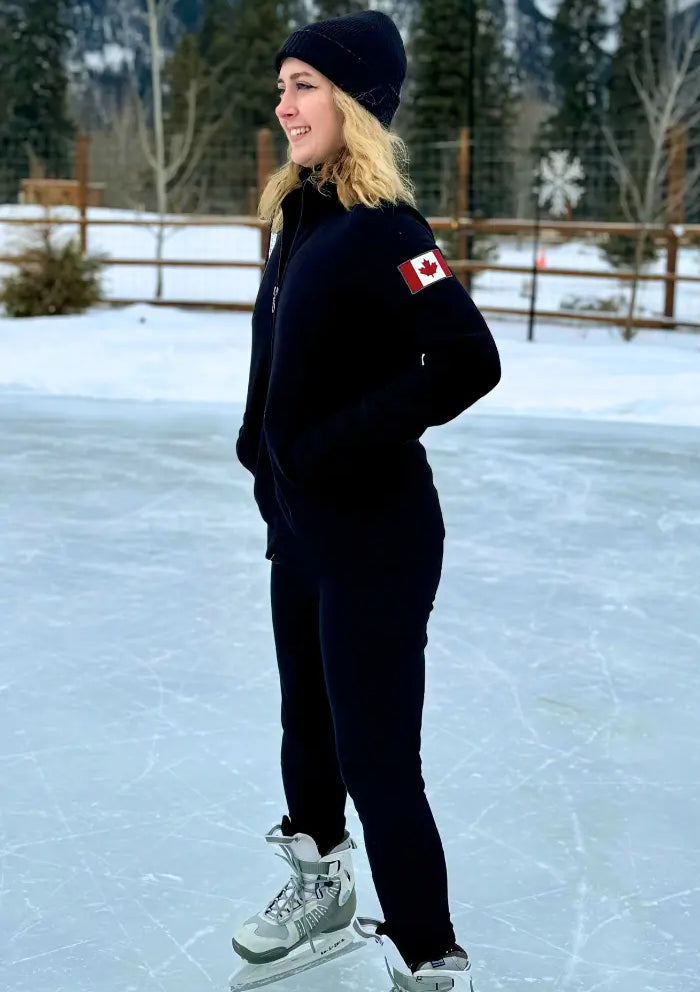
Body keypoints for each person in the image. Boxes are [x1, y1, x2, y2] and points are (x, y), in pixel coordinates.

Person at [232, 10, 501, 991]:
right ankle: (322, 890)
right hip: (297, 527)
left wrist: (331, 447)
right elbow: (283, 363)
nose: (283, 102)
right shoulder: (299, 215)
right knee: (306, 723)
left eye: (304, 84)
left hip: (377, 532)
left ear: (354, 102)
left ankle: (430, 954)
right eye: (281, 84)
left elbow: (467, 359)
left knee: (376, 752)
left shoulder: (390, 231)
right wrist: (264, 457)